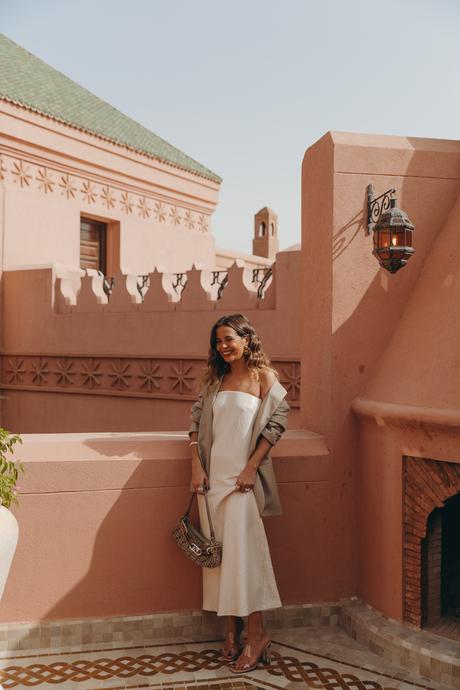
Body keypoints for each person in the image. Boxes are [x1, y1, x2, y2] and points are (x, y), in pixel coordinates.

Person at [188, 313, 289, 674]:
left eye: (229, 339)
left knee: (245, 558)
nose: (223, 347)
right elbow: (196, 424)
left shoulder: (264, 378)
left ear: (247, 339)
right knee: (217, 560)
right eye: (218, 341)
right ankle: (229, 630)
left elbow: (277, 424)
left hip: (243, 482)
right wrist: (197, 468)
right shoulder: (215, 380)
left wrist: (250, 468)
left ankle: (257, 634)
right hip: (212, 481)